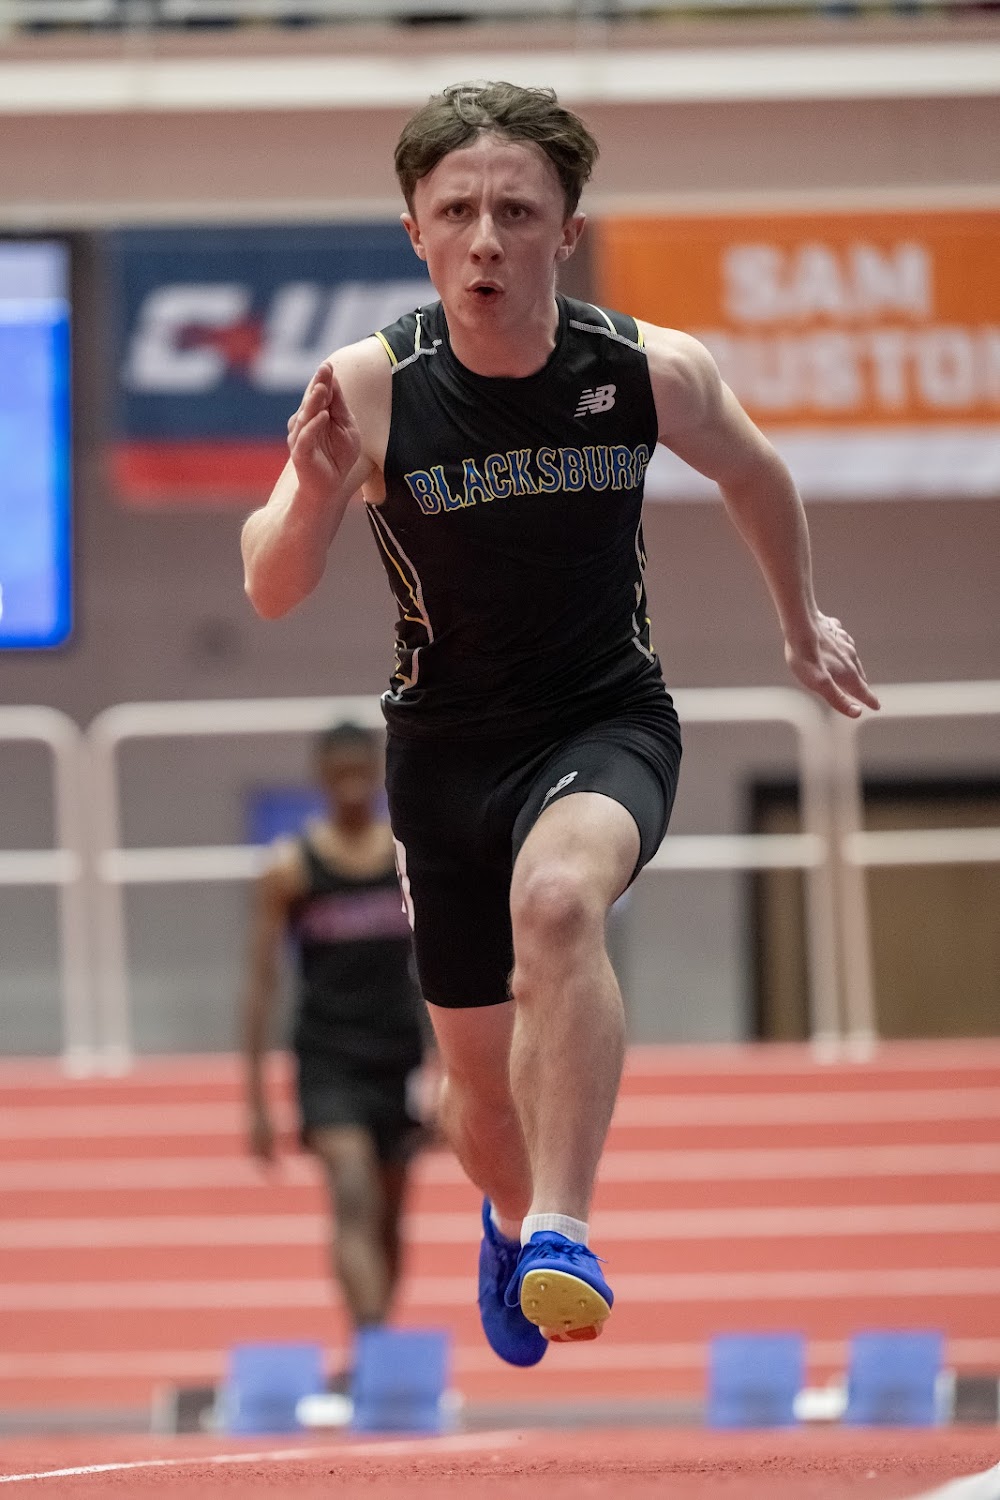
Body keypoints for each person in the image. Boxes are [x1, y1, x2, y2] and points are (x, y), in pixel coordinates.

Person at [241, 81, 880, 1370]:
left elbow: (754, 471)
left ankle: (562, 1231)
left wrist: (800, 619)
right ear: (416, 233)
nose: (486, 239)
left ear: (565, 231)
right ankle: (506, 1211)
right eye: (457, 213)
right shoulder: (370, 387)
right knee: (481, 1102)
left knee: (558, 904)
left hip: (604, 720)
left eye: (516, 212)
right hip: (443, 759)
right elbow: (269, 583)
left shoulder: (646, 369)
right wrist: (308, 499)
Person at [242, 721, 429, 1360]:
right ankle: (374, 1345)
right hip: (328, 1058)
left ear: (377, 773)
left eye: (360, 771)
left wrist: (450, 1071)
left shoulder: (408, 858)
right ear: (320, 778)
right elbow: (261, 983)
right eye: (338, 773)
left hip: (398, 1054)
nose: (350, 784)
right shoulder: (291, 868)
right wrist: (255, 1102)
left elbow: (445, 968)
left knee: (390, 1214)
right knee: (352, 1192)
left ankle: (373, 1344)